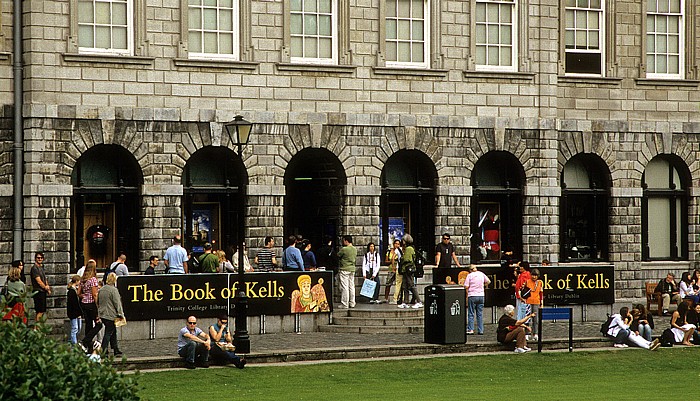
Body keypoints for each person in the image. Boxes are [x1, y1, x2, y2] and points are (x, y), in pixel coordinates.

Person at [78, 259, 103, 354]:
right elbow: (95, 294)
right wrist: (98, 306)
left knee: (88, 324)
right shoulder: (93, 280)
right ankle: (85, 341)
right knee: (98, 324)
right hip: (91, 304)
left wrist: (83, 296)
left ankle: (88, 348)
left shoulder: (83, 279)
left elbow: (78, 292)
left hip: (84, 304)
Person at [98, 272, 124, 357]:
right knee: (109, 332)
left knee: (112, 331)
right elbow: (117, 303)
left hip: (103, 314)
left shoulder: (102, 289)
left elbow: (98, 301)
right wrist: (121, 314)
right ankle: (104, 350)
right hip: (111, 314)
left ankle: (115, 349)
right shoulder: (114, 290)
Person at [397, 234, 423, 309]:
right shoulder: (409, 248)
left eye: (403, 240)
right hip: (405, 270)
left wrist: (402, 258)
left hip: (408, 270)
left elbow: (407, 259)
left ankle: (419, 301)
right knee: (404, 286)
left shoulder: (409, 249)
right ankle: (405, 302)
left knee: (411, 285)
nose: (402, 242)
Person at [464, 264, 491, 335]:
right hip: (481, 295)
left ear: (470, 270)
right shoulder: (481, 274)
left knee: (471, 313)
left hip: (472, 295)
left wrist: (467, 295)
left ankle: (471, 329)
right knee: (480, 313)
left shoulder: (469, 275)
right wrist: (482, 286)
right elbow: (488, 281)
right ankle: (480, 330)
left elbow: (466, 286)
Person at [337, 235, 357, 309]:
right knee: (351, 286)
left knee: (345, 287)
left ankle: (345, 303)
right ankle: (352, 302)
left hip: (345, 268)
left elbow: (338, 255)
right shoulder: (355, 249)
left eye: (343, 240)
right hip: (352, 269)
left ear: (346, 241)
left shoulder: (344, 249)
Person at [524, 268, 544, 341]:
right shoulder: (527, 282)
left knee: (536, 319)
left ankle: (535, 333)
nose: (534, 277)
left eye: (535, 275)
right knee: (527, 319)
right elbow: (523, 291)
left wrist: (542, 303)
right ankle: (527, 333)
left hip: (536, 302)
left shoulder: (540, 283)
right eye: (533, 275)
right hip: (528, 302)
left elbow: (541, 293)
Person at [30, 252, 51, 321]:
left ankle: (37, 327)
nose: (40, 259)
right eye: (38, 258)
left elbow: (44, 279)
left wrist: (47, 288)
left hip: (42, 291)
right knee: (40, 311)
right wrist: (45, 287)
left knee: (41, 311)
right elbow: (38, 281)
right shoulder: (34, 268)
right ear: (35, 259)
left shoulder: (41, 267)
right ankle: (36, 328)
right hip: (38, 291)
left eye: (41, 258)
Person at [384, 239, 402, 304]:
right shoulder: (389, 252)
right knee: (388, 284)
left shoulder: (400, 251)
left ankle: (398, 297)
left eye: (398, 244)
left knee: (398, 284)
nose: (397, 245)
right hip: (391, 269)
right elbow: (386, 261)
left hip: (398, 269)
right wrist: (392, 261)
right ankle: (386, 298)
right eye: (396, 244)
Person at [66, 275, 82, 345]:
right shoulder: (71, 291)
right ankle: (74, 344)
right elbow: (73, 303)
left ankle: (71, 340)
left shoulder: (74, 290)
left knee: (78, 328)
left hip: (76, 312)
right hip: (74, 312)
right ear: (76, 281)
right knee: (75, 328)